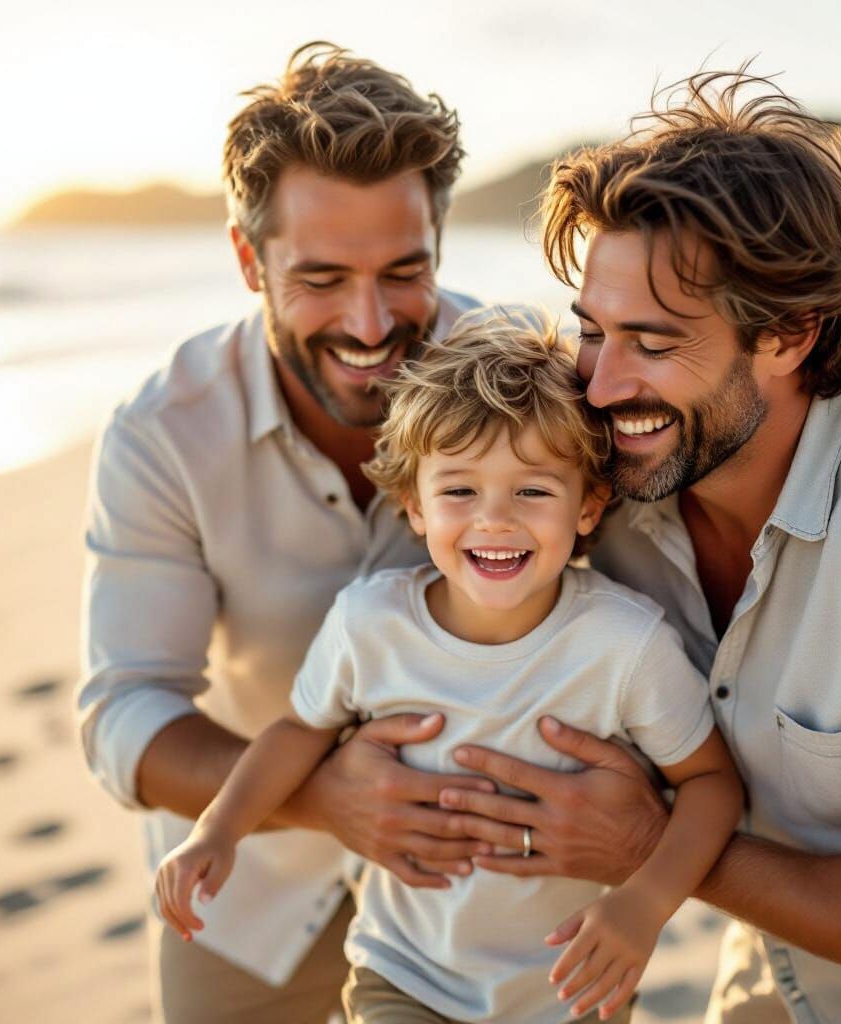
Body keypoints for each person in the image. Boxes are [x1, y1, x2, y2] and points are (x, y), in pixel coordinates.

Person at [432, 72, 841, 1021]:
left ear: (788, 333)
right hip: (766, 979)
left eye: (652, 344)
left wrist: (647, 848)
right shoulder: (605, 473)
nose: (604, 385)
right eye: (590, 332)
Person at [154, 309, 744, 1024]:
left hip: (571, 985)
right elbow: (296, 733)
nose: (495, 519)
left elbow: (711, 784)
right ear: (414, 504)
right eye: (460, 490)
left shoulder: (625, 645)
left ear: (589, 505)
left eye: (532, 490)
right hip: (404, 973)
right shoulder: (370, 623)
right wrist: (218, 830)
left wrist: (645, 905)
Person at [77, 41, 493, 1022]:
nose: (369, 323)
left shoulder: (524, 382)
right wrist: (324, 797)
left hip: (486, 894)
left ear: (438, 241)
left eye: (404, 270)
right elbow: (123, 712)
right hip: (248, 892)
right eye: (320, 277)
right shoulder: (163, 431)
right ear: (245, 257)